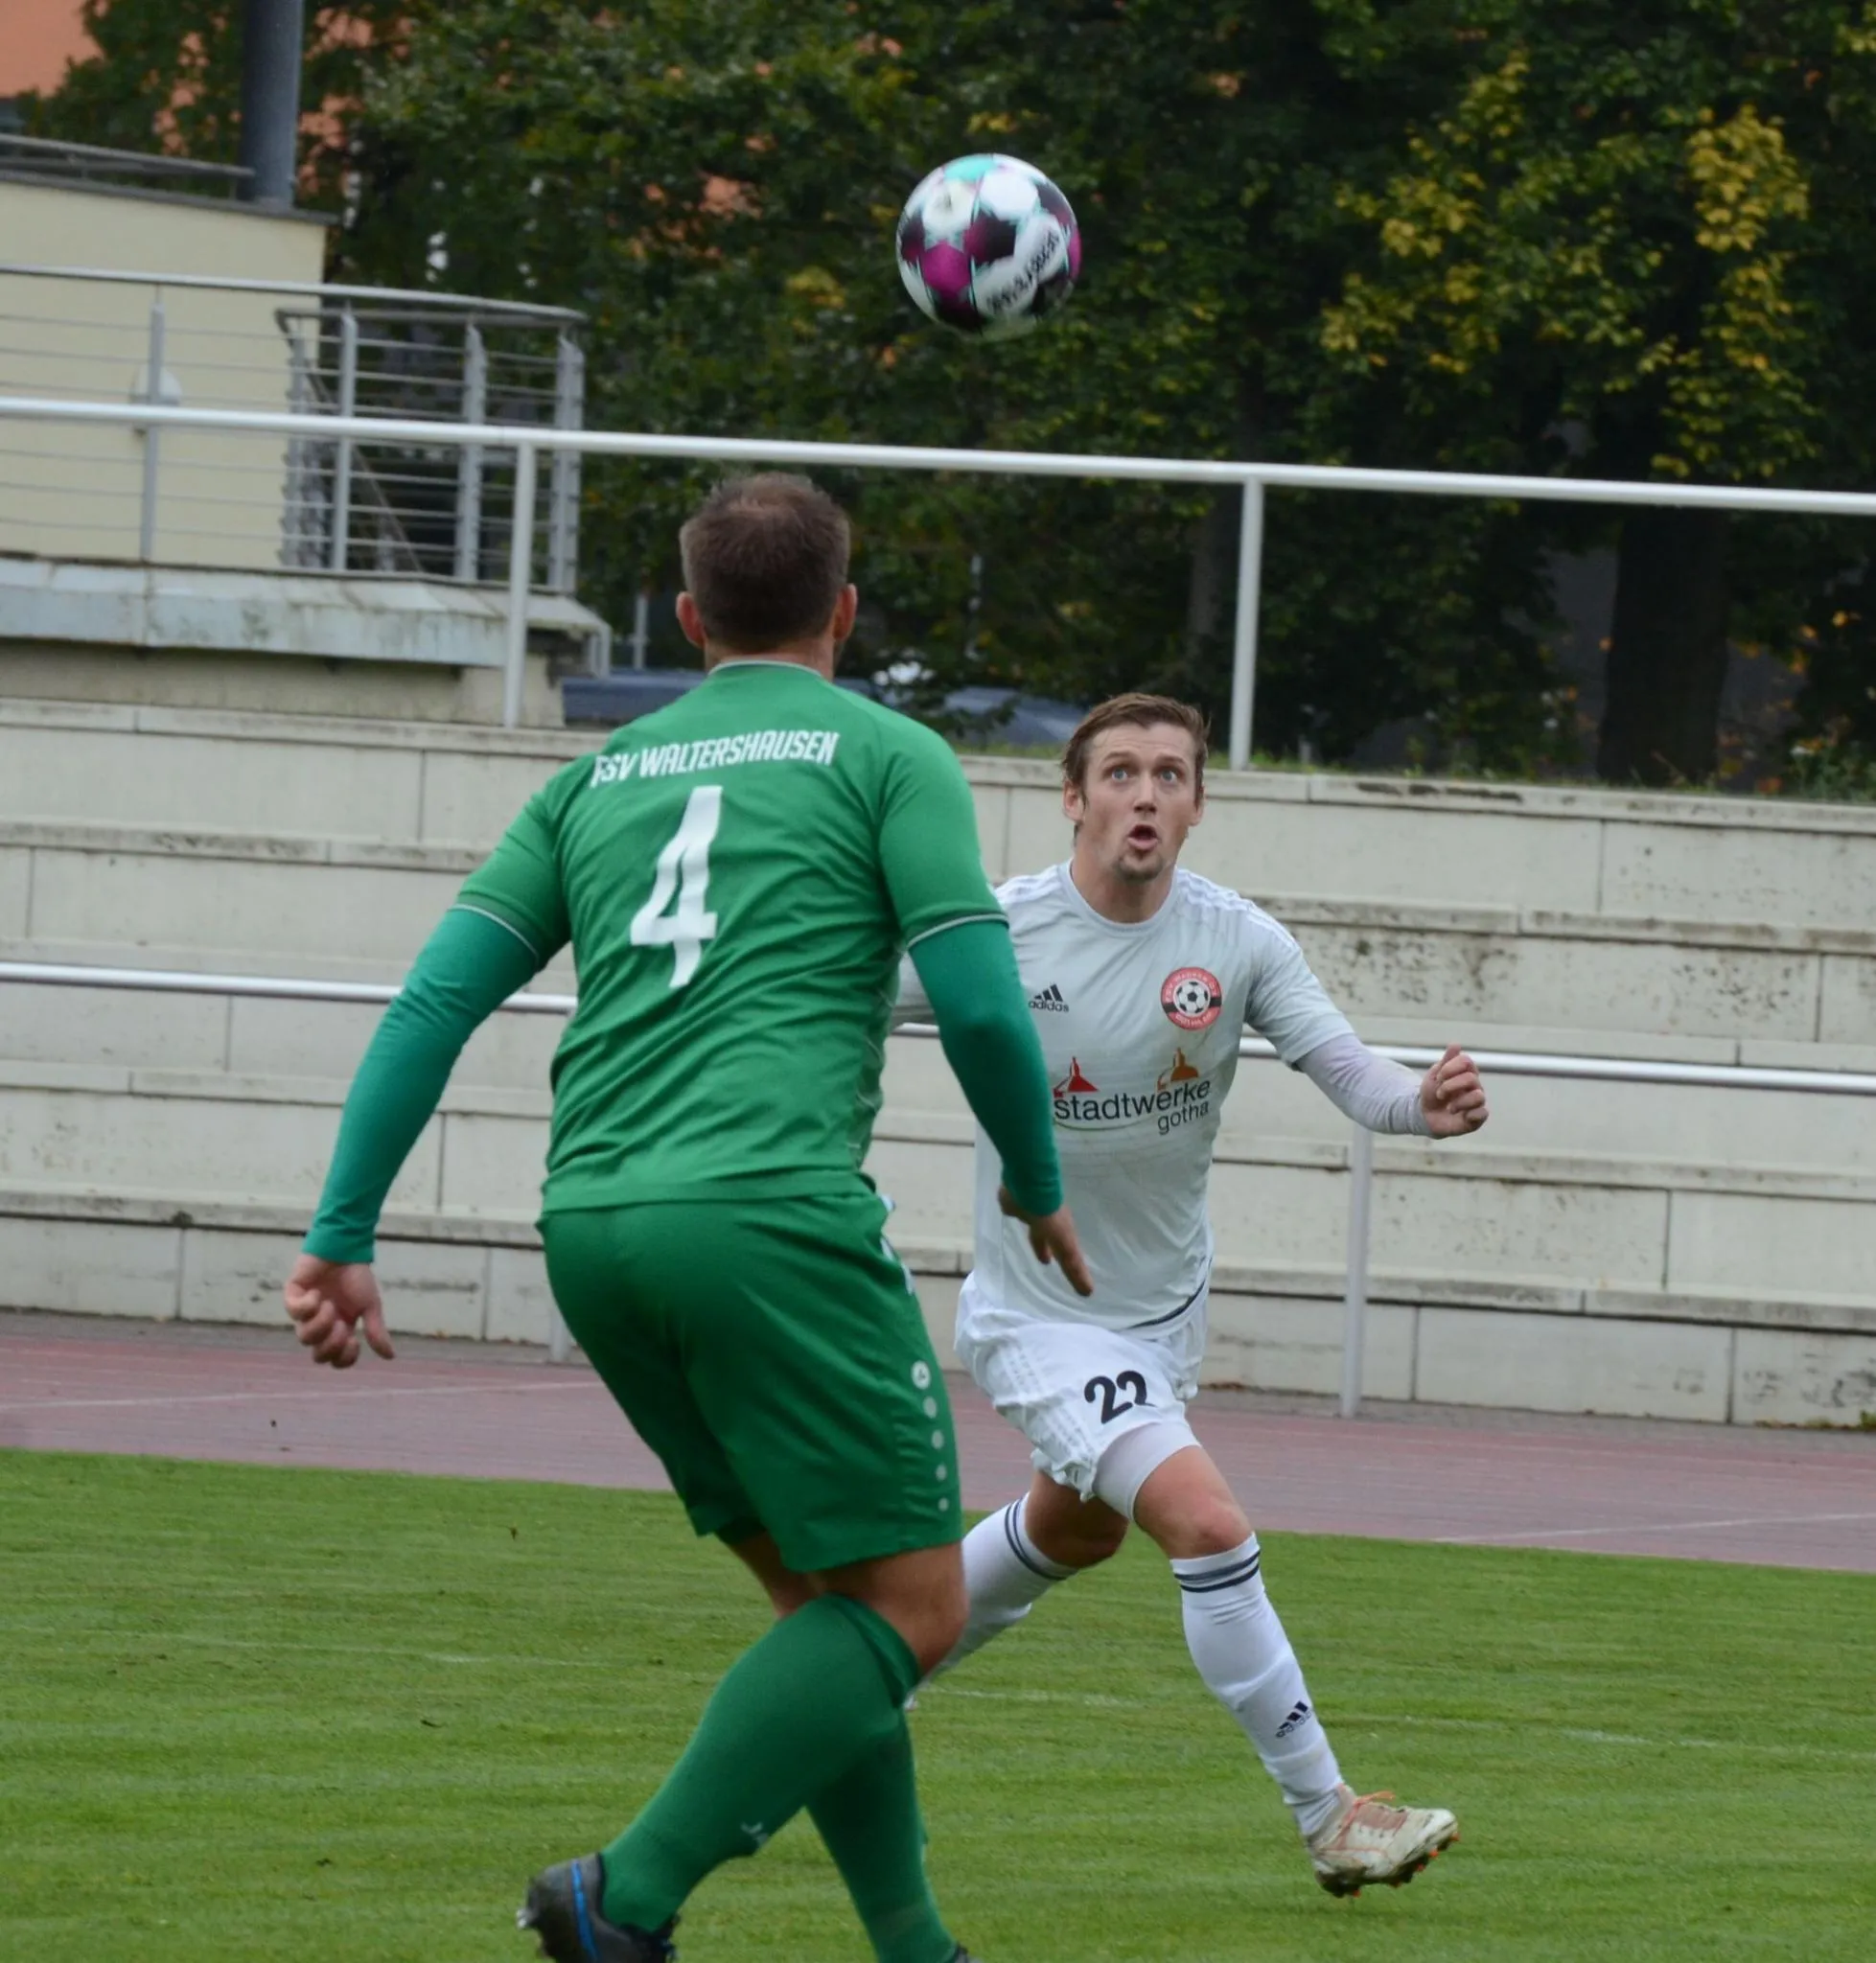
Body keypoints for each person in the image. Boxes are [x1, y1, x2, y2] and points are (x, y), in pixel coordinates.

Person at [281, 474, 1092, 1963]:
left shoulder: (594, 779)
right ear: (845, 610)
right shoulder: (888, 756)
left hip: (594, 1222)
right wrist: (1037, 1187)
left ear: (686, 618)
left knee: (829, 1606)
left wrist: (344, 1232)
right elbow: (981, 1005)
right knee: (914, 1610)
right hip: (769, 1219)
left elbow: (434, 1003)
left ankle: (917, 1950)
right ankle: (622, 1899)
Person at [893, 692, 1488, 1899]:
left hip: (1161, 1315)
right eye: (1119, 771)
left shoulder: (1235, 939)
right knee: (1208, 1525)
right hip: (1039, 1315)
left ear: (1197, 804)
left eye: (1170, 774)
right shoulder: (995, 931)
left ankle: (857, 1674)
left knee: (1077, 1528)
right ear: (1073, 797)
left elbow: (1347, 1068)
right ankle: (1330, 1811)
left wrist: (1419, 1104)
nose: (1145, 793)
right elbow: (841, 998)